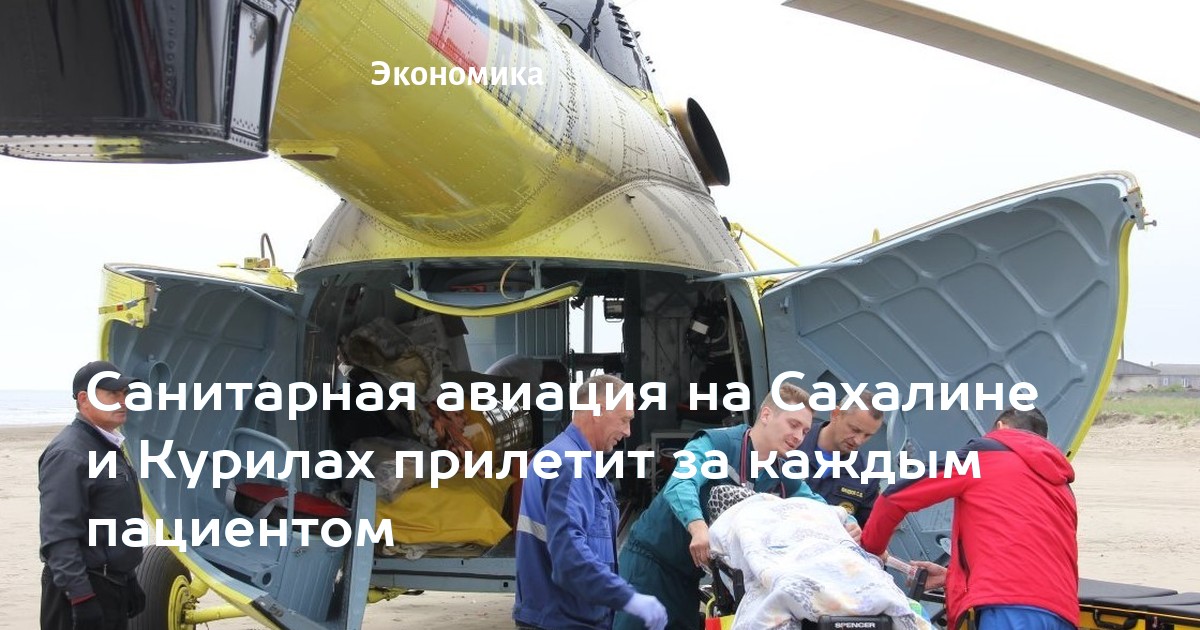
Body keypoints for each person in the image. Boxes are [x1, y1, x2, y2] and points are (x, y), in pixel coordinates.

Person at [614, 383, 860, 630]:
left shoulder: (780, 473)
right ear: (766, 415)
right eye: (793, 424)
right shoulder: (715, 443)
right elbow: (681, 483)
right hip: (651, 566)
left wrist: (848, 523)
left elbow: (815, 504)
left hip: (690, 578)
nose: (798, 437)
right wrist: (697, 527)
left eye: (805, 431)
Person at [859, 407, 1078, 630]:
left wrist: (868, 552)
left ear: (1000, 427)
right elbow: (1029, 552)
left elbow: (895, 498)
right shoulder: (1062, 486)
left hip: (1009, 607)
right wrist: (953, 578)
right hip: (1063, 612)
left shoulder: (986, 454)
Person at [513, 374, 668, 630]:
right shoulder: (569, 464)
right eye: (624, 419)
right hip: (562, 621)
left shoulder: (575, 460)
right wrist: (627, 598)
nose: (628, 431)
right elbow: (569, 556)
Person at [40, 361, 147, 630]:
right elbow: (59, 535)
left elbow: (111, 520)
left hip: (112, 585)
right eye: (112, 393)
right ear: (84, 399)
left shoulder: (106, 446)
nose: (123, 401)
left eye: (124, 393)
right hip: (81, 590)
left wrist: (129, 577)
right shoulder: (69, 453)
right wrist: (81, 598)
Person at [794, 389, 885, 525]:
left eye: (867, 435)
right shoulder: (791, 443)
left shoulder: (867, 475)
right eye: (855, 430)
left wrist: (856, 531)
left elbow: (869, 530)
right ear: (835, 414)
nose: (858, 441)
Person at [486, 355, 570, 447]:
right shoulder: (531, 375)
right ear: (553, 374)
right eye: (554, 383)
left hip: (488, 395)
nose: (549, 389)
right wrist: (537, 448)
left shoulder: (528, 364)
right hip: (488, 402)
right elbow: (534, 417)